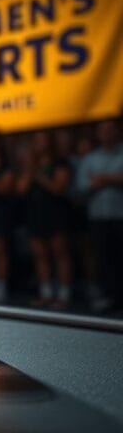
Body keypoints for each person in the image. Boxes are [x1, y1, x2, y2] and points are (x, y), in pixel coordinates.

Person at [15, 131, 73, 307]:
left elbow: (59, 188)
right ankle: (46, 293)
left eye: (43, 140)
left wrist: (38, 176)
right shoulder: (30, 165)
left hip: (55, 213)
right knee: (40, 255)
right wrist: (30, 171)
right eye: (37, 140)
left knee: (60, 253)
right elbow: (20, 190)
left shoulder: (59, 163)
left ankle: (63, 294)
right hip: (35, 214)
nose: (40, 143)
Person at [76, 119, 123, 310]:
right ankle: (108, 297)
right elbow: (81, 186)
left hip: (120, 216)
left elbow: (97, 180)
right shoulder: (90, 159)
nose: (106, 133)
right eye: (103, 130)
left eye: (110, 129)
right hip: (98, 218)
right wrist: (114, 179)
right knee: (103, 259)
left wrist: (102, 178)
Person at [0, 134, 15, 303]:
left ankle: (1, 287)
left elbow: (4, 188)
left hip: (0, 212)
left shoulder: (6, 167)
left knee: (0, 250)